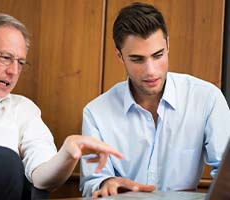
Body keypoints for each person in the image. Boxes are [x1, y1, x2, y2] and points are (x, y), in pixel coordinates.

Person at [0, 13, 123, 200]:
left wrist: (68, 153)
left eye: (20, 62)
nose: (13, 71)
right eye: (5, 57)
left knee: (4, 162)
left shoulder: (22, 110)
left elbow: (43, 176)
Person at [80, 2, 230, 198]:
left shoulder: (207, 99)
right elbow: (93, 182)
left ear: (167, 45)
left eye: (158, 55)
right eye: (137, 59)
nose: (151, 71)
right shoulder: (96, 113)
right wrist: (106, 183)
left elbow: (226, 174)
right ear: (120, 56)